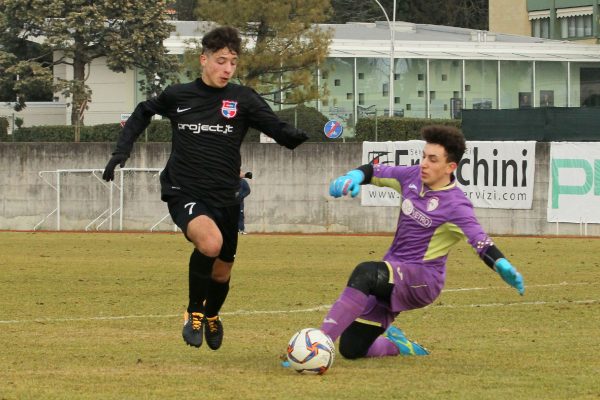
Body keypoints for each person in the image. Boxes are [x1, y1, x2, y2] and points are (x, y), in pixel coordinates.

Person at [102, 26, 308, 351]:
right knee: (210, 243)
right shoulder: (178, 95)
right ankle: (194, 311)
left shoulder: (243, 99)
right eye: (221, 60)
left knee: (222, 272)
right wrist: (120, 152)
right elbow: (143, 111)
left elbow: (278, 128)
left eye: (233, 62)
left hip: (226, 196)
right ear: (204, 59)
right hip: (183, 190)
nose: (227, 68)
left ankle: (212, 314)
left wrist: (304, 135)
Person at [320, 125, 525, 360]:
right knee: (352, 349)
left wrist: (500, 263)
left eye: (433, 159)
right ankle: (400, 347)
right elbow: (374, 170)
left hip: (422, 280)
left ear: (450, 167)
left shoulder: (457, 206)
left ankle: (318, 344)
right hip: (392, 271)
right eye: (424, 156)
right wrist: (353, 176)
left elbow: (480, 241)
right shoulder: (411, 177)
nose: (424, 163)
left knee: (365, 272)